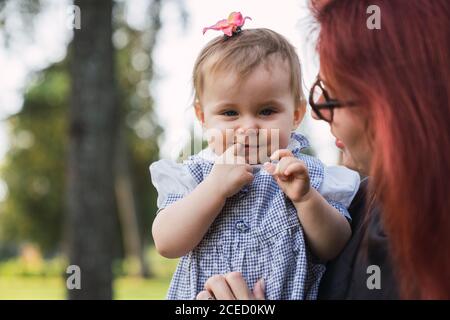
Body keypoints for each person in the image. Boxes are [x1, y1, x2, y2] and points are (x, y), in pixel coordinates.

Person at [196, 1, 450, 300]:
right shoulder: (364, 203)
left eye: (334, 96)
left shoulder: (320, 189)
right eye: (229, 113)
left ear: (400, 101)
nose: (317, 115)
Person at [150, 12, 360, 300]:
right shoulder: (196, 175)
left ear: (296, 114)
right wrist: (214, 188)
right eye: (230, 113)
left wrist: (306, 199)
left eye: (266, 111)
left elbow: (334, 246)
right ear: (202, 116)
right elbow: (166, 242)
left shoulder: (305, 174)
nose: (248, 127)